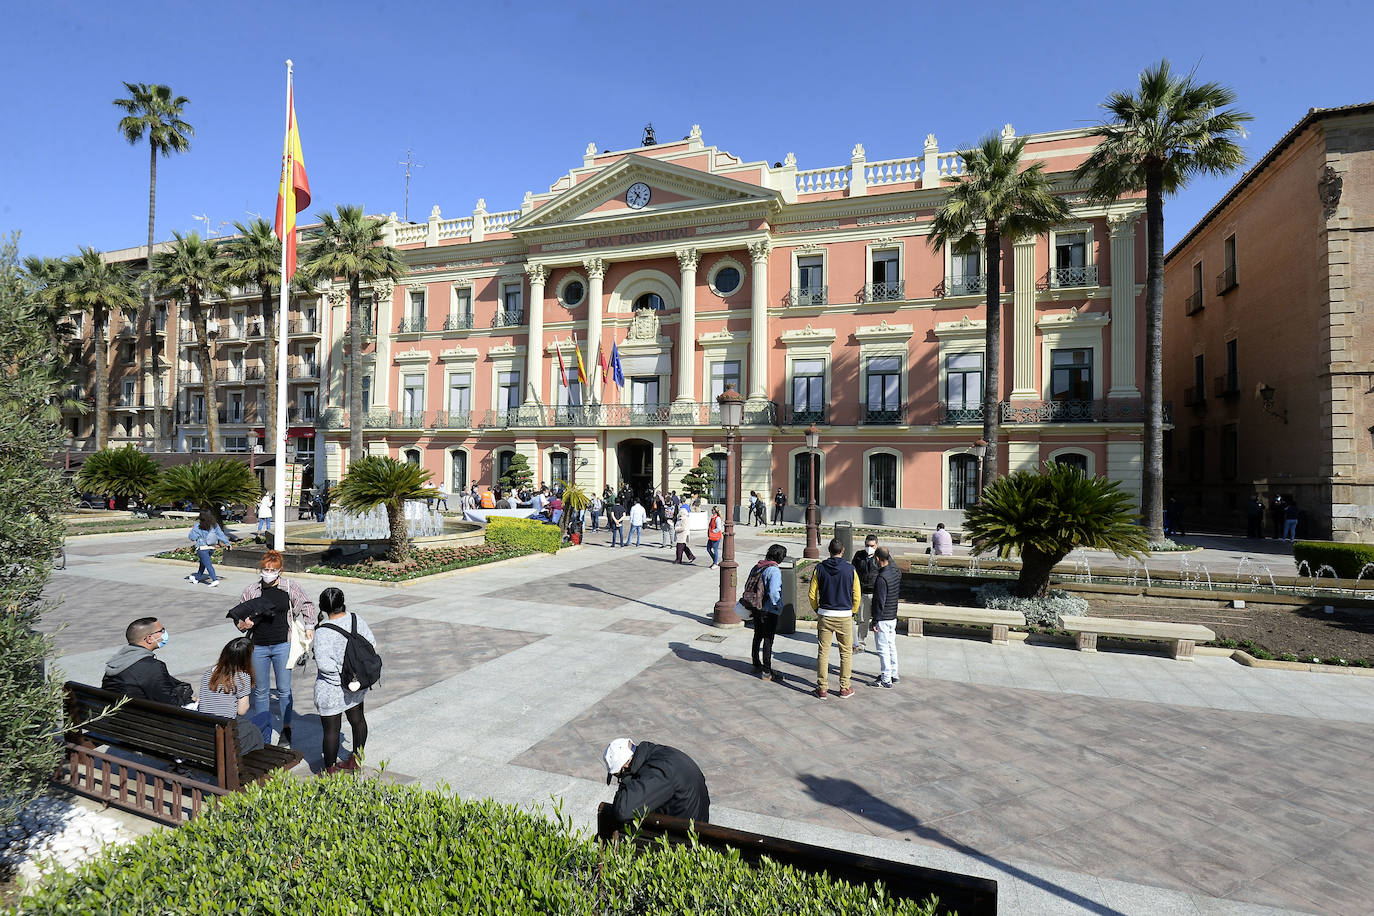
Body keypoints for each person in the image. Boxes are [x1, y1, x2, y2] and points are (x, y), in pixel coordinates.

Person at [236, 550, 317, 747]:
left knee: (283, 690)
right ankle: (262, 730)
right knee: (261, 691)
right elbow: (239, 617)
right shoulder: (252, 590)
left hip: (283, 643)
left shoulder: (289, 587)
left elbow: (307, 605)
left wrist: (309, 627)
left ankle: (286, 728)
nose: (268, 572)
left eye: (272, 570)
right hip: (259, 646)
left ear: (280, 571)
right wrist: (243, 625)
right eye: (265, 569)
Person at [314, 587, 377, 774]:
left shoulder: (323, 631)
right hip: (357, 682)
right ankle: (356, 761)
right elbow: (372, 645)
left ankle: (331, 770)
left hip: (332, 688)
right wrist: (353, 679)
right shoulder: (357, 620)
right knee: (358, 720)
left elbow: (325, 665)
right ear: (343, 602)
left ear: (322, 607)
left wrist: (340, 681)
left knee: (331, 731)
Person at [603, 738, 710, 826]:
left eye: (618, 776)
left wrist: (626, 778)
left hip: (682, 840)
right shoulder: (657, 753)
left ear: (625, 766)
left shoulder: (658, 773)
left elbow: (622, 811)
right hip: (695, 824)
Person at [808, 537, 859, 699]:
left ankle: (822, 688)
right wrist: (852, 611)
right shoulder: (851, 569)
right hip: (844, 615)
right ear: (842, 551)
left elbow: (811, 594)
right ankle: (845, 687)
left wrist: (818, 609)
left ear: (829, 551)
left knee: (823, 652)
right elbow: (856, 595)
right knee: (846, 652)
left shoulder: (820, 568)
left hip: (825, 614)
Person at [102, 617, 194, 706]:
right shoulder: (152, 666)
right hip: (143, 719)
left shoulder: (116, 662)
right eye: (161, 631)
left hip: (121, 717)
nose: (164, 633)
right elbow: (171, 703)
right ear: (149, 639)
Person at [197, 637, 266, 754]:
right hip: (227, 735)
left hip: (208, 733)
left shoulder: (209, 674)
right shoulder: (241, 677)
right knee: (266, 718)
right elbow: (242, 711)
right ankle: (263, 760)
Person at [749, 544, 786, 682]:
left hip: (756, 607)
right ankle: (766, 671)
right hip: (769, 609)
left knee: (757, 635)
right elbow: (774, 591)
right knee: (768, 639)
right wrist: (778, 606)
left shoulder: (758, 566)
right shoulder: (773, 570)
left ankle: (755, 664)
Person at [870, 547, 900, 688]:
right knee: (891, 646)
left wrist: (875, 620)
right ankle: (894, 674)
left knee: (883, 650)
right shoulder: (895, 572)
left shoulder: (881, 578)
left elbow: (879, 602)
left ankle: (886, 679)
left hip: (883, 619)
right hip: (892, 616)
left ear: (877, 559)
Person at [186, 509, 232, 587]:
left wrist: (193, 530)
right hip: (211, 548)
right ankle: (196, 578)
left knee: (208, 565)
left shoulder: (198, 526)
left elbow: (192, 537)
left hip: (202, 548)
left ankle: (214, 580)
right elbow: (221, 535)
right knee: (202, 564)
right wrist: (228, 544)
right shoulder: (215, 525)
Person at [851, 534, 879, 653]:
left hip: (877, 593)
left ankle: (881, 647)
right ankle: (861, 644)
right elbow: (852, 571)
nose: (869, 547)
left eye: (872, 545)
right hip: (862, 592)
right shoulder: (859, 555)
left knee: (879, 622)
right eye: (867, 545)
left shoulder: (880, 556)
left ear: (876, 545)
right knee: (862, 620)